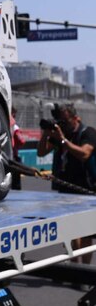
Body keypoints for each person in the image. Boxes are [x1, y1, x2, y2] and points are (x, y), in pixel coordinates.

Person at [37, 103, 95, 264]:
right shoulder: (62, 136)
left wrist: (62, 140)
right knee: (70, 231)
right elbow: (41, 152)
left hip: (86, 189)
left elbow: (84, 154)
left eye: (65, 121)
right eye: (60, 122)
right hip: (65, 189)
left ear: (76, 118)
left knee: (86, 233)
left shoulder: (87, 132)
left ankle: (85, 268)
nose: (62, 125)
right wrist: (46, 134)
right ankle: (75, 266)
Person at [10, 107, 26, 190]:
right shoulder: (14, 126)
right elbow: (21, 141)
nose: (14, 115)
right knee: (16, 183)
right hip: (13, 156)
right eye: (13, 113)